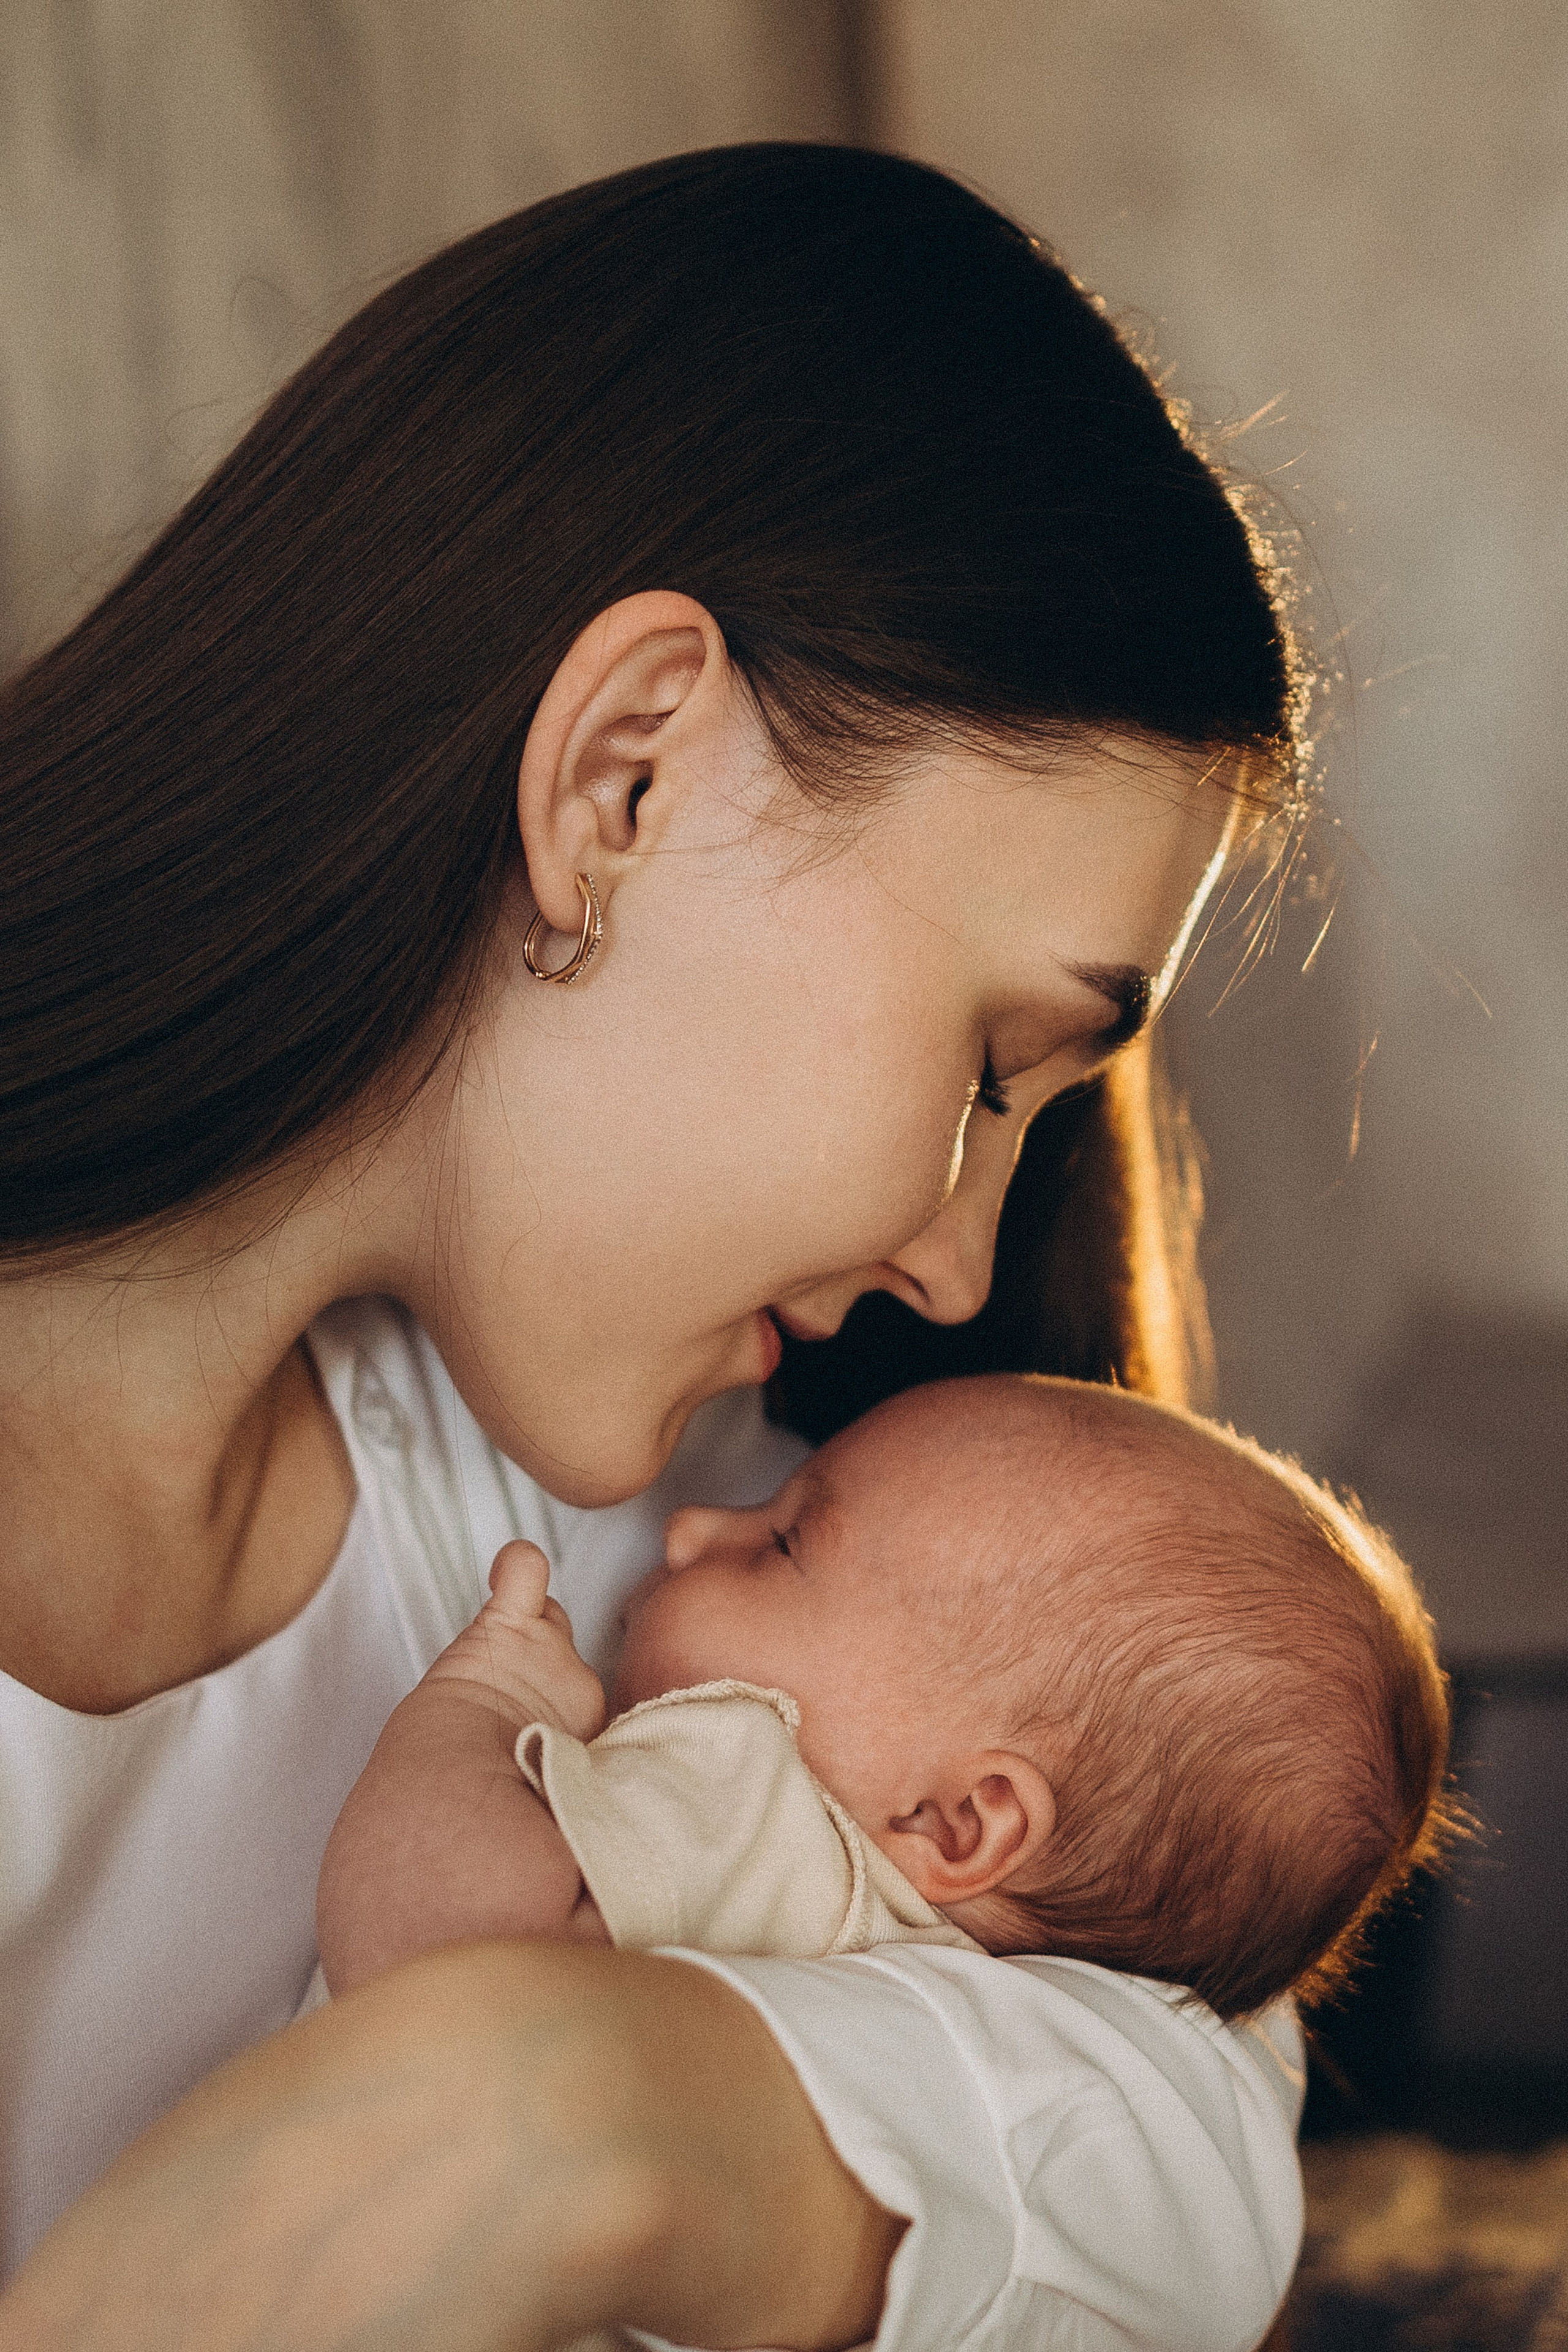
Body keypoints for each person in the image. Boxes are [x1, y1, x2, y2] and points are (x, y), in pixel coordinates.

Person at [0, 143, 1309, 2350]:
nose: (967, 1275)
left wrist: (567, 2100)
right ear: (623, 778)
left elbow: (1194, 2121)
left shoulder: (658, 1565)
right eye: (997, 1065)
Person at [318, 1375, 1450, 2023]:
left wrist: (477, 1707)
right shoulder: (993, 2010)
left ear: (961, 1822)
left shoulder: (755, 1797)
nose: (693, 1529)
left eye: (784, 1544)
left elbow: (436, 1965)